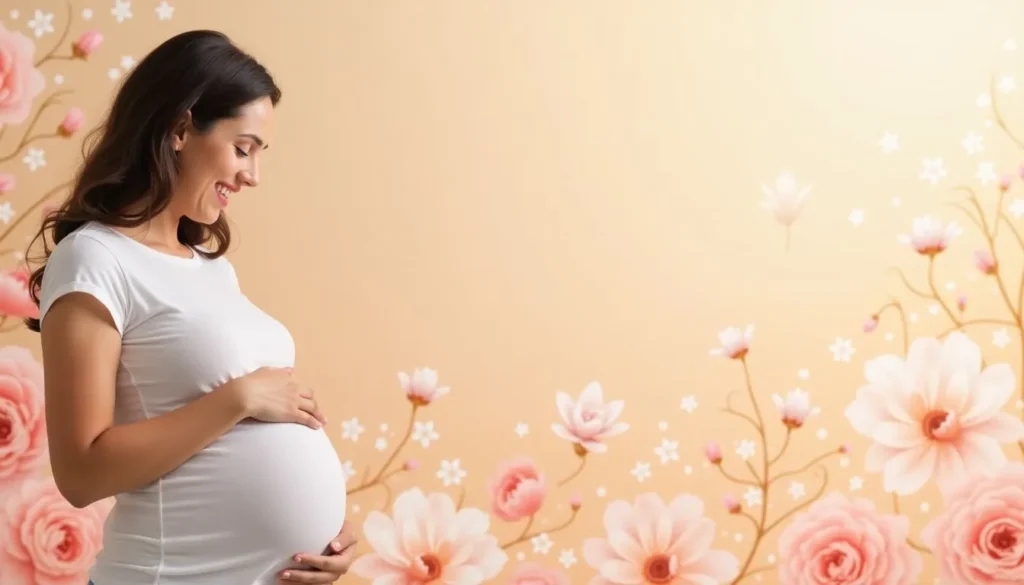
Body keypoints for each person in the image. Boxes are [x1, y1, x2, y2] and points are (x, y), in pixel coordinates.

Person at [25, 30, 356, 585]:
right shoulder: (95, 259)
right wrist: (240, 397)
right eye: (243, 147)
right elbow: (80, 472)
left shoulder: (209, 266)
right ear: (180, 128)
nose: (253, 174)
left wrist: (329, 533)